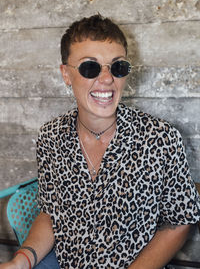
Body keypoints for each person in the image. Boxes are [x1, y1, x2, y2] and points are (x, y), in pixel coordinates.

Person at [1, 14, 200, 269]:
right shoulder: (51, 137)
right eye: (90, 67)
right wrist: (22, 260)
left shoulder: (159, 137)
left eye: (117, 67)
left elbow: (180, 220)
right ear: (66, 74)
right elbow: (51, 213)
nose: (107, 79)